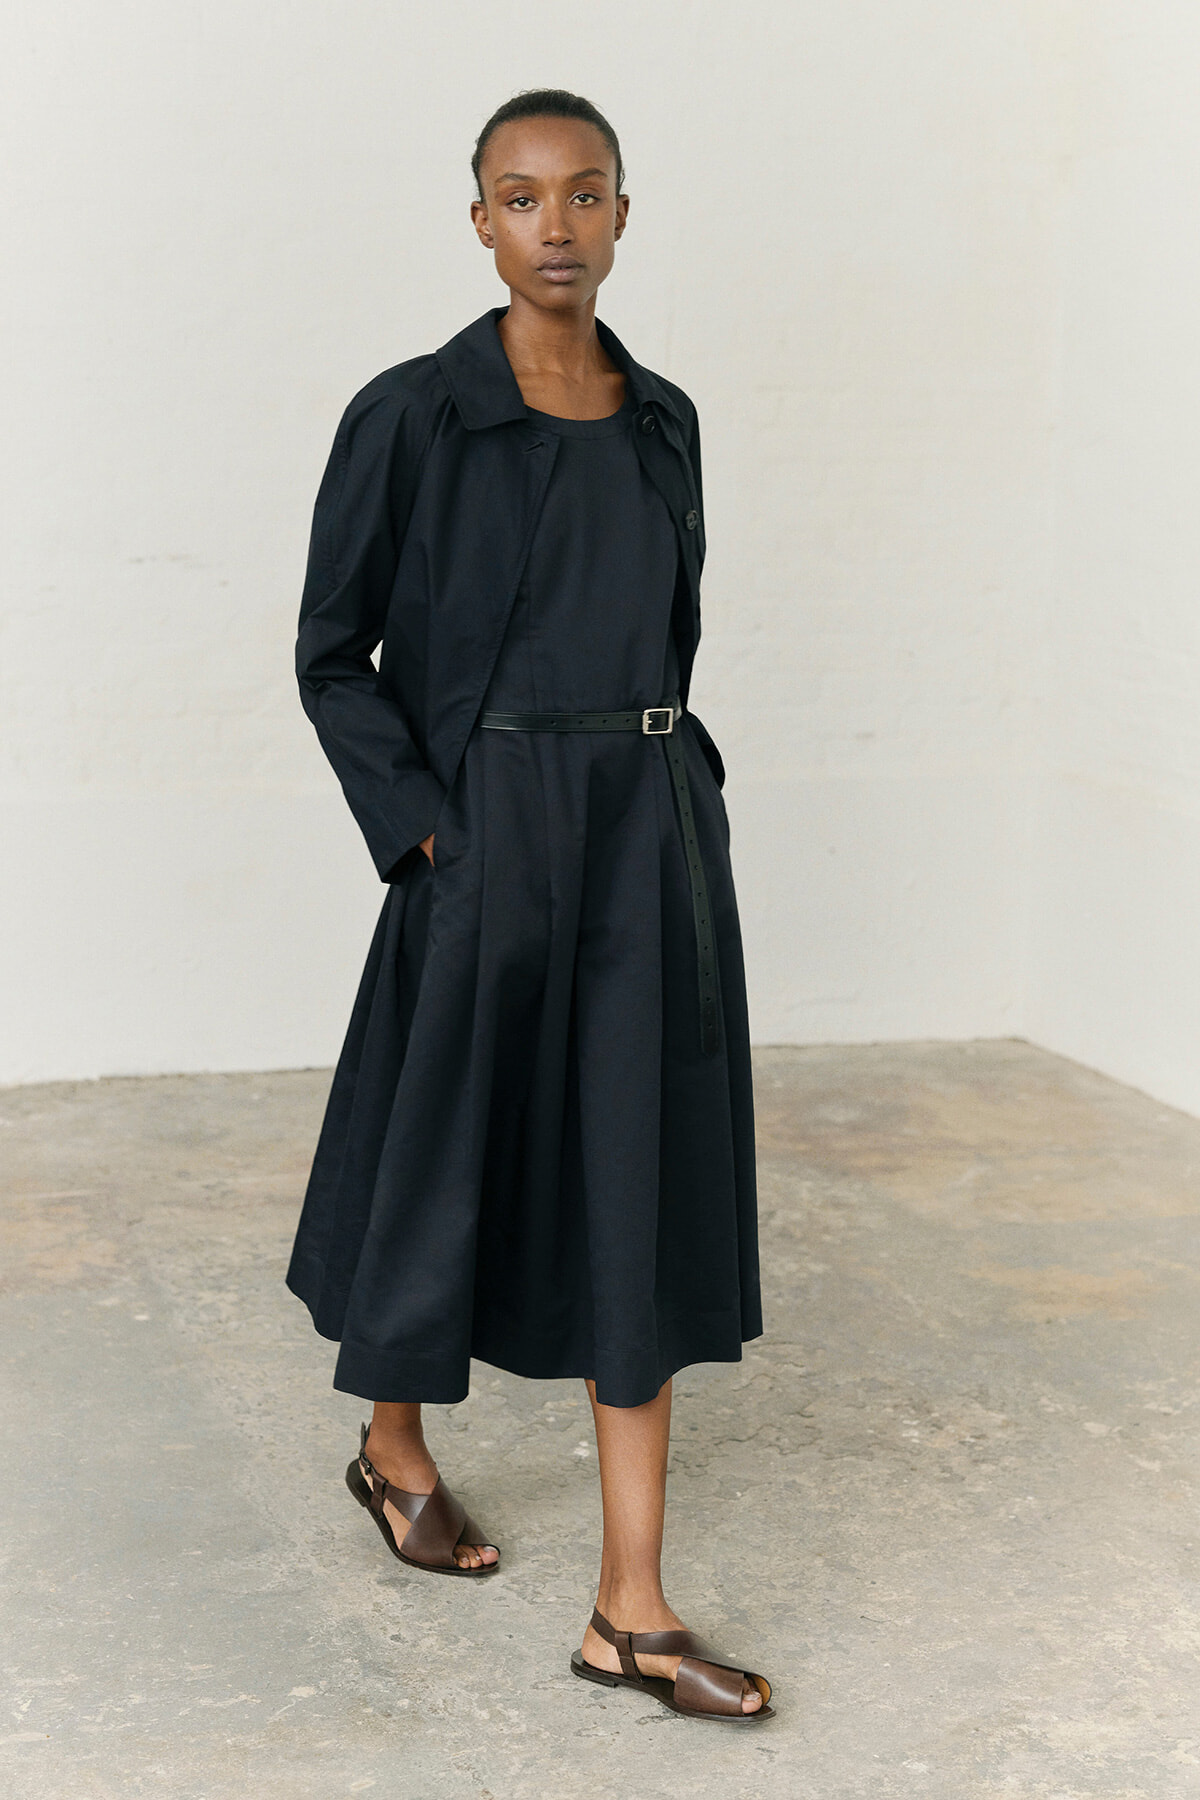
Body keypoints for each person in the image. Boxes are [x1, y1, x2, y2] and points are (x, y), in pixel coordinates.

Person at [286, 88, 772, 1722]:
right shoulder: (415, 413)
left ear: (626, 214)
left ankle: (629, 1607)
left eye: (584, 195)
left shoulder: (666, 420)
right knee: (450, 1160)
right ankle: (393, 1443)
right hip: (488, 834)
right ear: (478, 222)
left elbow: (671, 630)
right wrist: (429, 831)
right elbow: (329, 651)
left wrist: (669, 795)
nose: (554, 226)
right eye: (519, 197)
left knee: (629, 1184)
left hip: (644, 839)